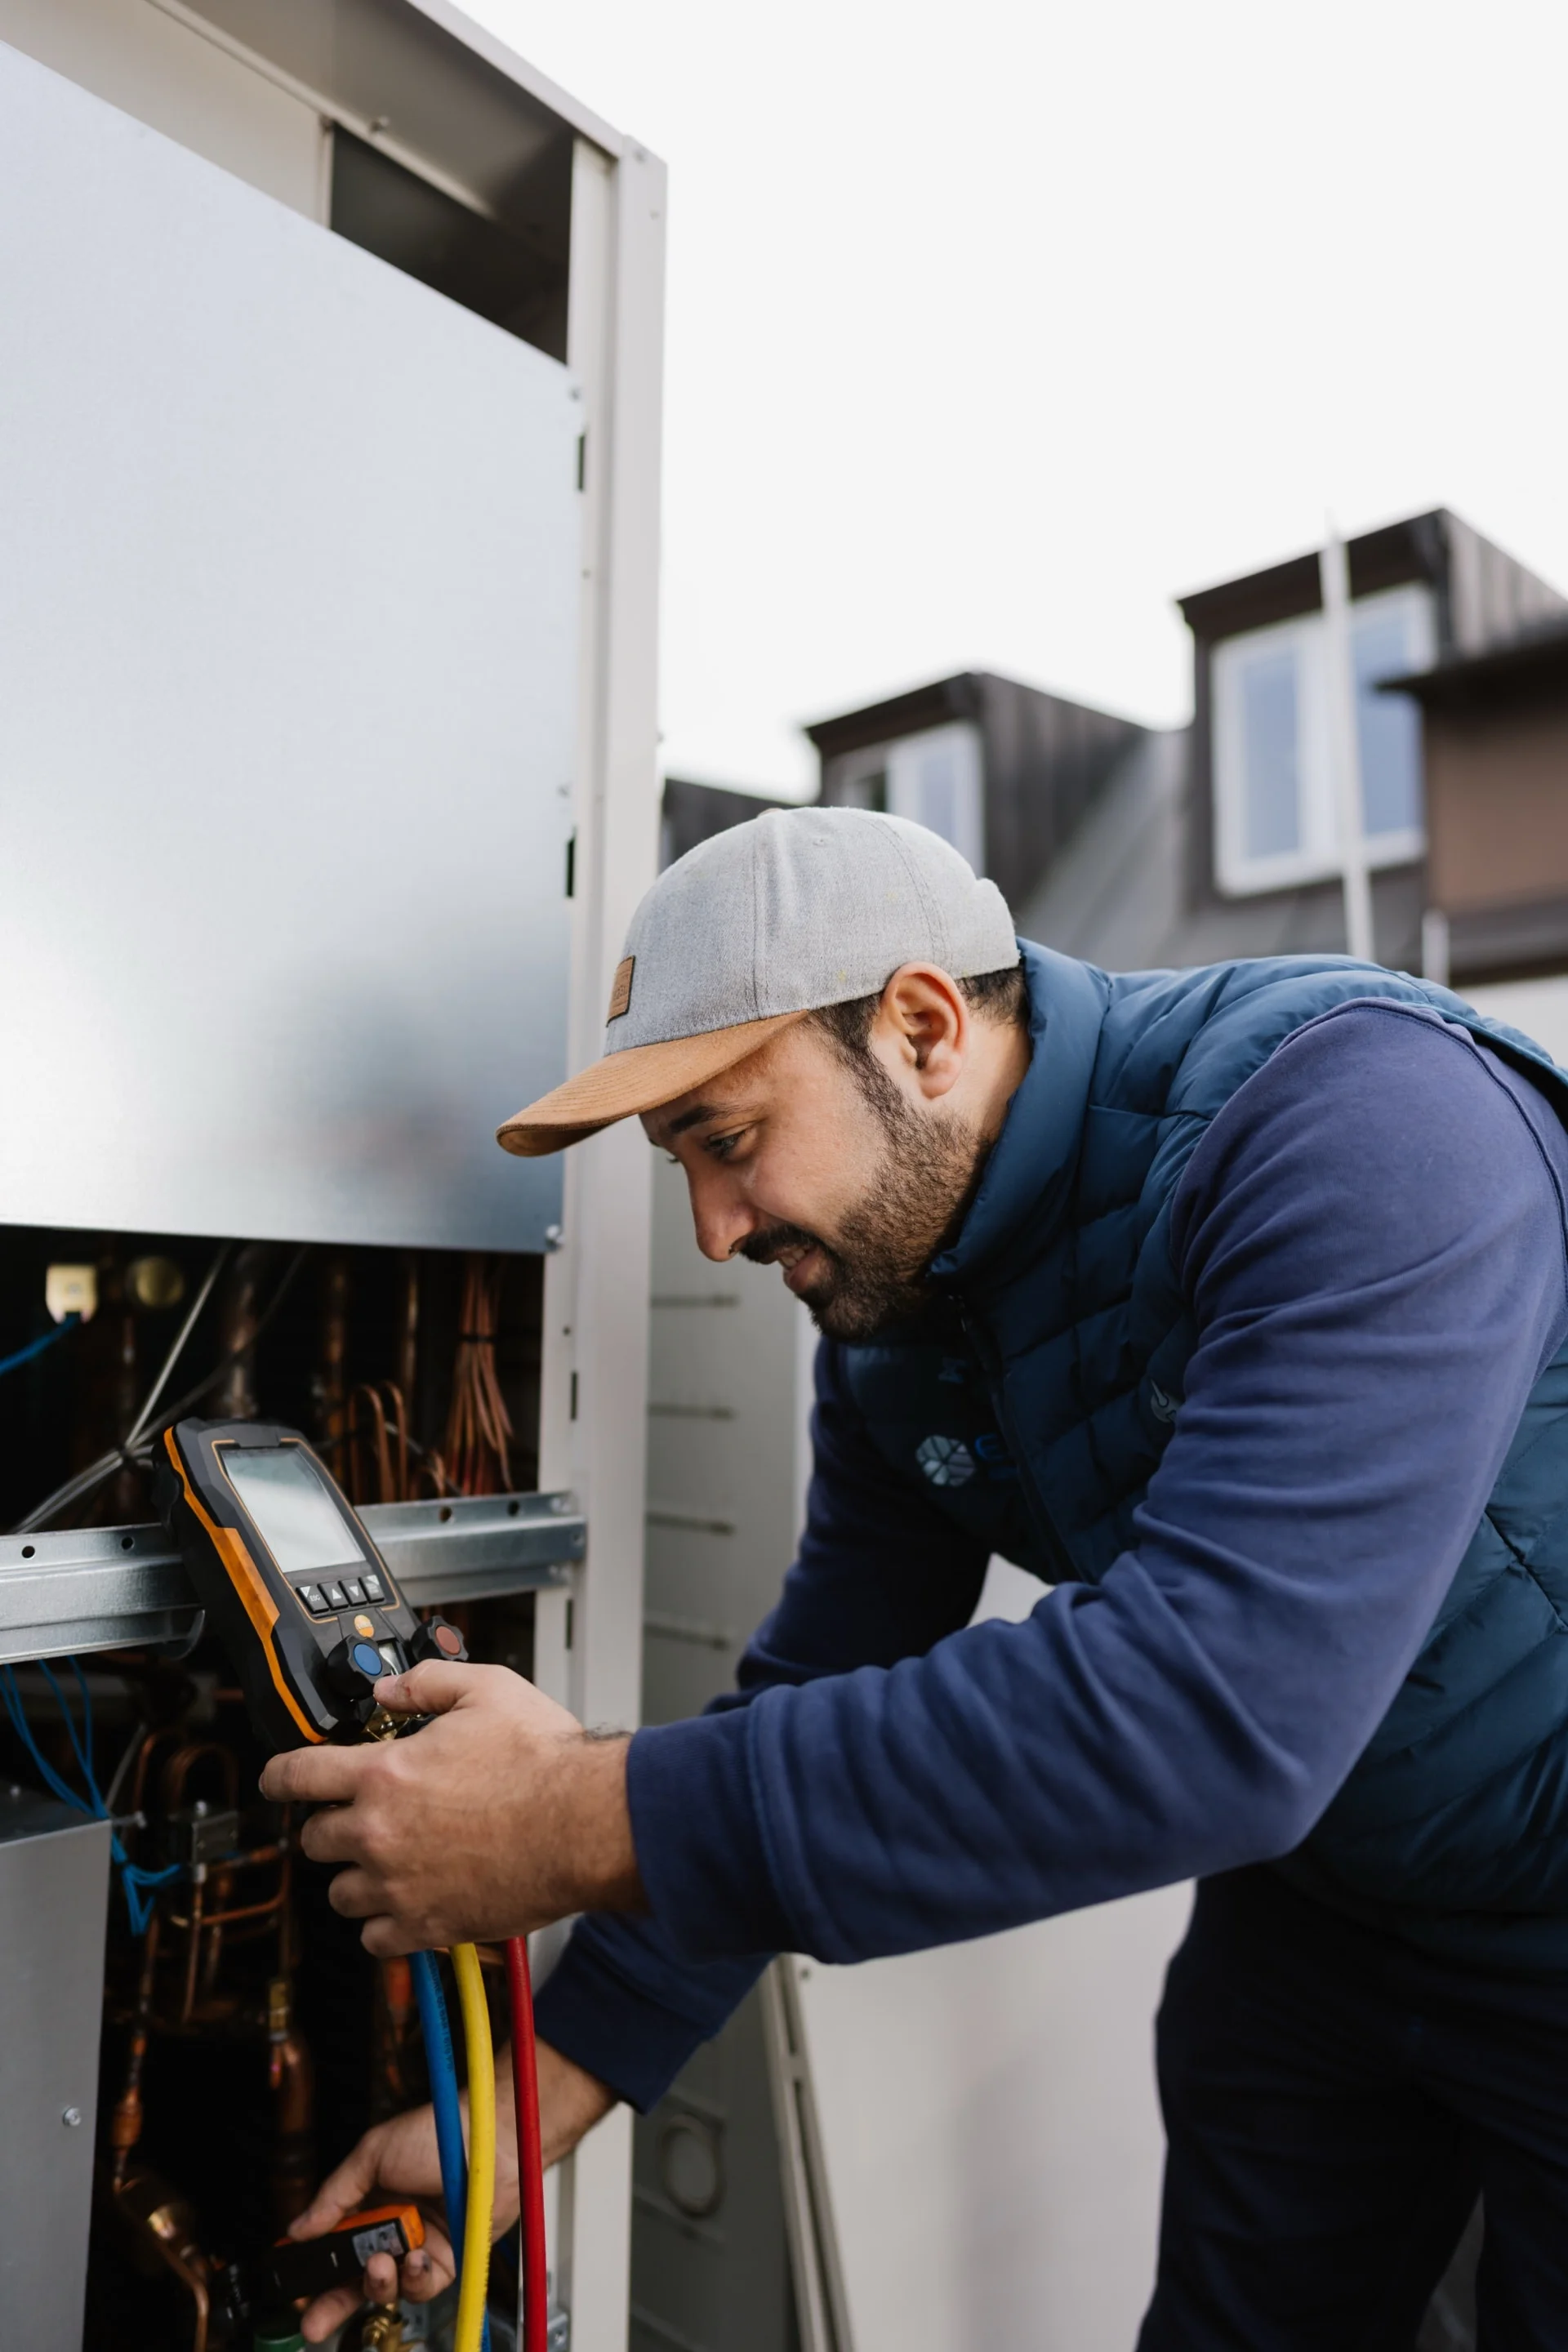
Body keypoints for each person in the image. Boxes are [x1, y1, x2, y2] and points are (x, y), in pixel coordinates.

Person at [265, 806, 1568, 2348]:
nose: (714, 1229)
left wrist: (567, 1816)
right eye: (678, 1164)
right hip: (1326, 1926)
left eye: (731, 1142)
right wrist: (524, 2113)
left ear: (923, 1025)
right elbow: (817, 1684)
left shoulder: (1359, 1122)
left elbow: (1223, 1704)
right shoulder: (901, 1323)